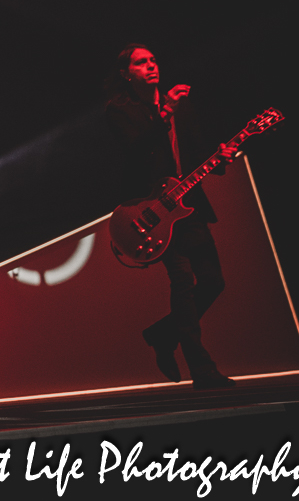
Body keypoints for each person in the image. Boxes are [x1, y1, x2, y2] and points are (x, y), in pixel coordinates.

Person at [105, 45, 236, 390]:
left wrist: (219, 159)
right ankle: (202, 370)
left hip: (189, 204)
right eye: (141, 63)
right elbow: (135, 151)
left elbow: (195, 151)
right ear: (126, 74)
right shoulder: (120, 110)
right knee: (182, 281)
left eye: (153, 61)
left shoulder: (182, 105)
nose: (150, 66)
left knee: (213, 280)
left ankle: (163, 335)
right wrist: (163, 113)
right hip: (154, 209)